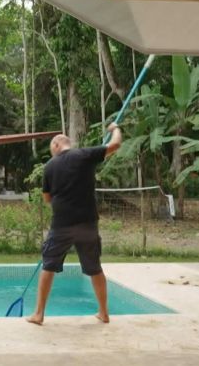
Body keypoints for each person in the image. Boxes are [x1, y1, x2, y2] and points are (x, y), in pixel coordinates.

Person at [26, 123, 122, 326]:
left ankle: (39, 314)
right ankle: (104, 313)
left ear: (56, 145)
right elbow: (116, 144)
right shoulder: (86, 155)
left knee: (48, 266)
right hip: (88, 223)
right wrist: (115, 128)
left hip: (61, 225)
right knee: (95, 268)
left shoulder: (50, 166)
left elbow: (47, 198)